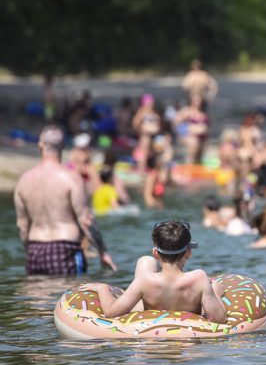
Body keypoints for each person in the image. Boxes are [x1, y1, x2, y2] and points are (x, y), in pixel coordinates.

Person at [14, 125, 117, 275]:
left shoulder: (24, 181)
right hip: (65, 247)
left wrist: (30, 251)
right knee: (70, 296)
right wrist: (103, 251)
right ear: (63, 145)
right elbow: (86, 221)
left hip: (35, 249)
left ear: (40, 145)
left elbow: (22, 225)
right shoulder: (71, 179)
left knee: (35, 297)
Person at [79, 220, 227, 323]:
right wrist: (216, 292)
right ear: (188, 253)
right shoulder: (199, 278)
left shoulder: (144, 280)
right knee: (145, 262)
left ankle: (122, 294)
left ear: (155, 253)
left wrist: (102, 288)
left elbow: (111, 313)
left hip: (150, 323)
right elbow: (219, 319)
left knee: (144, 261)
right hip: (188, 341)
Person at [174, 95, 209, 164]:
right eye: (196, 100)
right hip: (189, 137)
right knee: (193, 143)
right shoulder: (186, 111)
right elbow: (176, 123)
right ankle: (189, 165)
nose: (197, 102)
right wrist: (188, 129)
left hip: (202, 138)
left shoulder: (203, 113)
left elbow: (206, 127)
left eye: (199, 100)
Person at [131, 94, 162, 172]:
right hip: (146, 136)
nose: (151, 105)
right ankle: (142, 167)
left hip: (155, 137)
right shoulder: (142, 112)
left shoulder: (155, 113)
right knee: (145, 140)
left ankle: (157, 167)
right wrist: (142, 129)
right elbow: (135, 123)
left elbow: (160, 125)